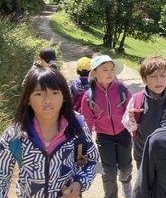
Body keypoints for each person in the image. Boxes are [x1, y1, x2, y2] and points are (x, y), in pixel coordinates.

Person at [0, 67, 99, 198]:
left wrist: (79, 183)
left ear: (64, 96)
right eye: (39, 94)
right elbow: (2, 175)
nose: (47, 100)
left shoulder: (77, 127)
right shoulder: (14, 135)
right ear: (28, 99)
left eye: (54, 93)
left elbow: (92, 160)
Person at [80, 55, 133, 198]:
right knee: (107, 170)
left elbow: (131, 111)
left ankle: (126, 183)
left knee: (126, 167)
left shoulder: (122, 89)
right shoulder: (89, 96)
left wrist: (135, 128)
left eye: (112, 69)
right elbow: (87, 122)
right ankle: (110, 195)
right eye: (105, 70)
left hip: (123, 134)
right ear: (95, 73)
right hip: (104, 138)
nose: (110, 72)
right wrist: (85, 143)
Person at [122, 56, 166, 168]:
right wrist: (132, 119)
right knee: (145, 185)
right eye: (153, 76)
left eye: (162, 75)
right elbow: (129, 127)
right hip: (144, 155)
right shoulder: (136, 99)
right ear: (144, 79)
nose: (158, 80)